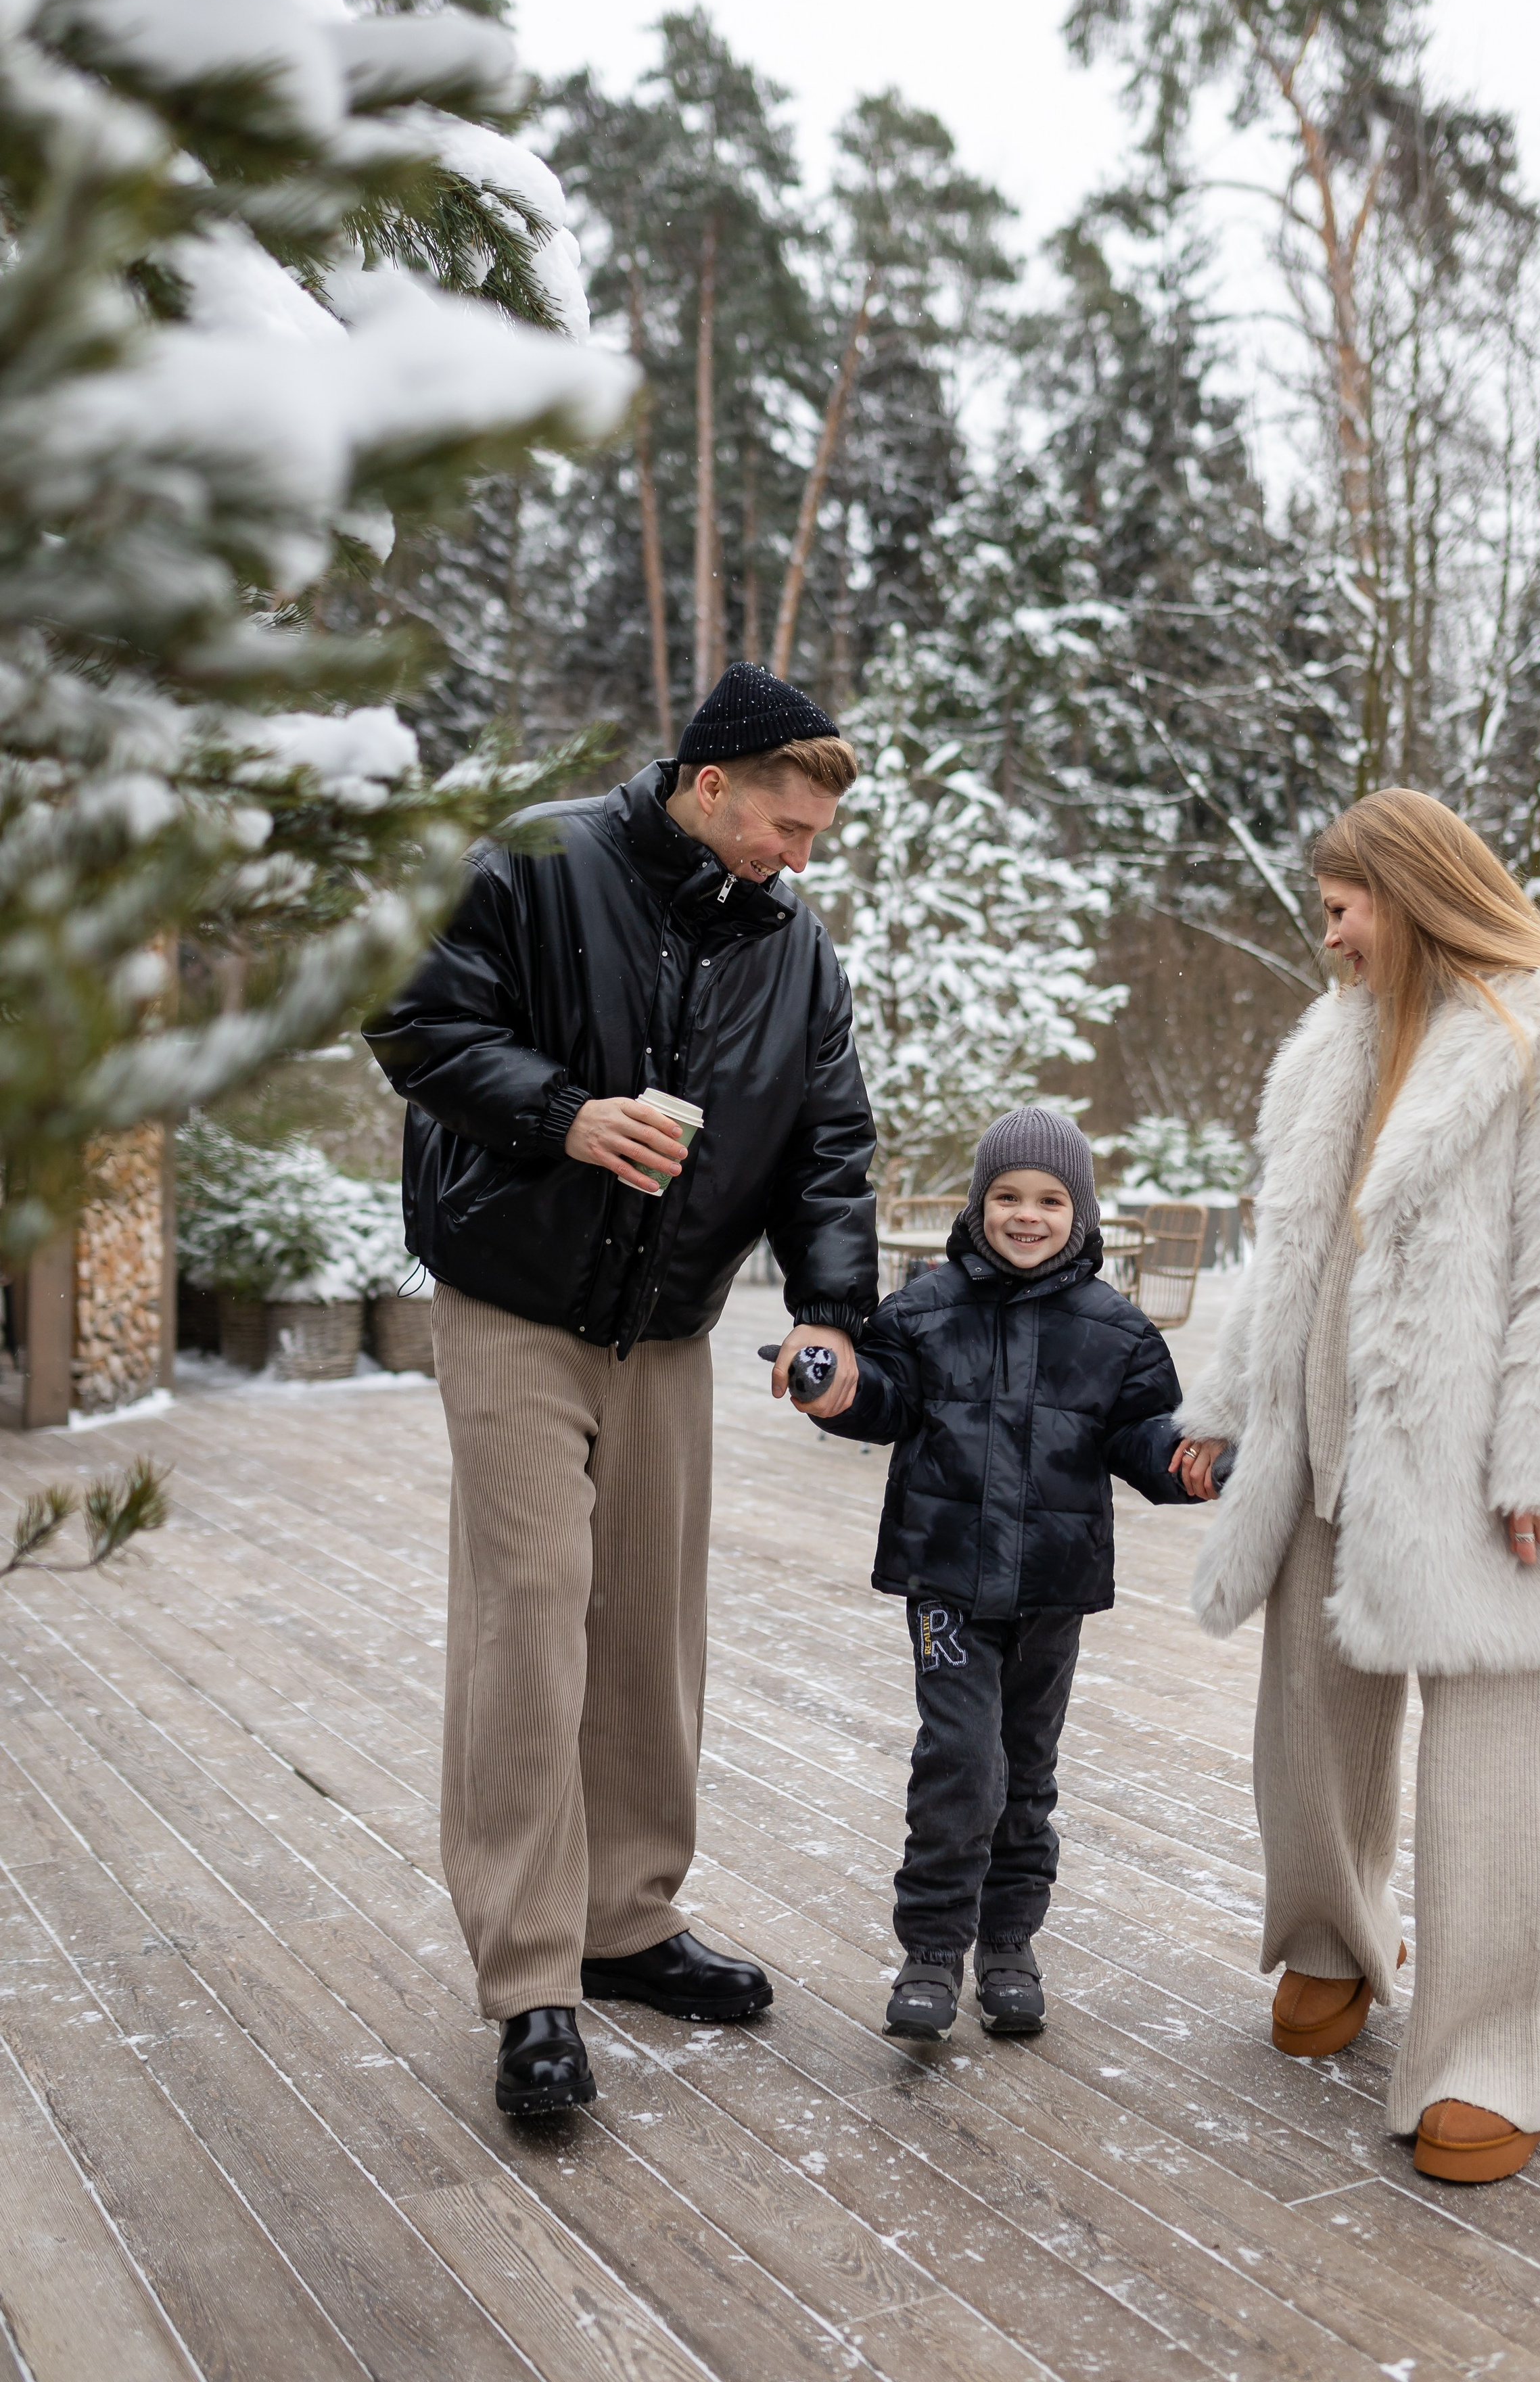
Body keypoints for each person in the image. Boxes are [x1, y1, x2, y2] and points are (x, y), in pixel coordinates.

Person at [366, 663, 878, 2117]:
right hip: (515, 1304)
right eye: (781, 825)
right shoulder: (530, 861)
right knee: (532, 1616)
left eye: (812, 839)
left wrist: (834, 1311)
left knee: (648, 1625)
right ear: (707, 784)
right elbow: (411, 1024)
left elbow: (827, 1143)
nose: (794, 856)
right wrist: (568, 1117)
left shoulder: (795, 951)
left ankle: (629, 1922)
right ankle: (531, 1976)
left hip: (668, 1328)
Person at [1171, 789, 1540, 2185]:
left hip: (1485, 1472)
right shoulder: (1330, 1046)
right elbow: (1282, 1259)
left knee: (1489, 1774)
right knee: (1307, 1731)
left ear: (1413, 891)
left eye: (1341, 907)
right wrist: (1223, 1402)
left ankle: (1489, 2049)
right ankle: (1330, 1941)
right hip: (1326, 1454)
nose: (1324, 935)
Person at [791, 1107, 1189, 2040]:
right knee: (961, 1763)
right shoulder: (925, 1312)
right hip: (950, 1583)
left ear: (1081, 1215)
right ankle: (932, 1949)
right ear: (978, 1206)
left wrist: (1192, 1460)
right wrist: (836, 1391)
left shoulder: (1118, 1332)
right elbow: (880, 1395)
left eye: (1051, 1199)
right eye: (1006, 1196)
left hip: (1054, 1583)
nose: (1027, 1215)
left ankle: (1009, 1941)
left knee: (1027, 1768)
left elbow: (1147, 1436)